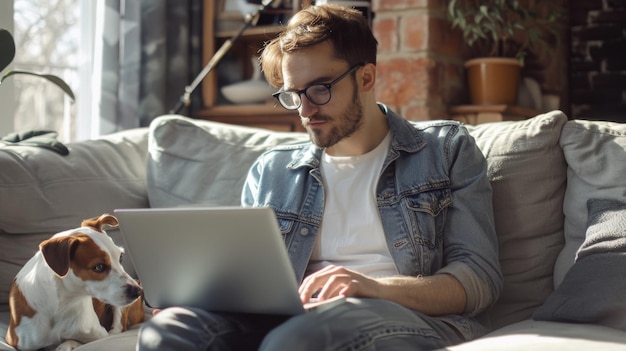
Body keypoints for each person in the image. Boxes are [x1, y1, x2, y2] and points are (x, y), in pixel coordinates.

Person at [137, 4, 502, 350]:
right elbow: (247, 282)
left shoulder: (445, 150)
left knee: (299, 340)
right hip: (294, 319)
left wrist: (372, 287)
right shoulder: (273, 171)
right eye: (295, 94)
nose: (306, 110)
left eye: (320, 89)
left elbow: (478, 280)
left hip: (409, 318)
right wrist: (198, 299)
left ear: (366, 77)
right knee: (168, 333)